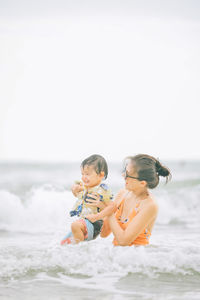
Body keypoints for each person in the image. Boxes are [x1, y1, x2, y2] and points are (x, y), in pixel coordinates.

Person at [86, 154, 171, 246]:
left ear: (142, 183)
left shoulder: (150, 205)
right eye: (124, 171)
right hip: (117, 256)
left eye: (127, 174)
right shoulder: (122, 194)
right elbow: (104, 233)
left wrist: (109, 211)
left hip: (135, 257)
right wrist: (100, 207)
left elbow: (123, 241)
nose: (123, 175)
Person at [60, 154, 114, 245]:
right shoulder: (85, 187)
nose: (83, 177)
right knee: (63, 243)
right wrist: (74, 188)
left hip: (94, 224)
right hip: (84, 223)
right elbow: (77, 194)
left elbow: (112, 207)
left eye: (87, 174)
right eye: (82, 174)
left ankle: (79, 249)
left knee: (75, 225)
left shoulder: (102, 190)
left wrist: (97, 216)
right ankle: (79, 251)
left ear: (101, 175)